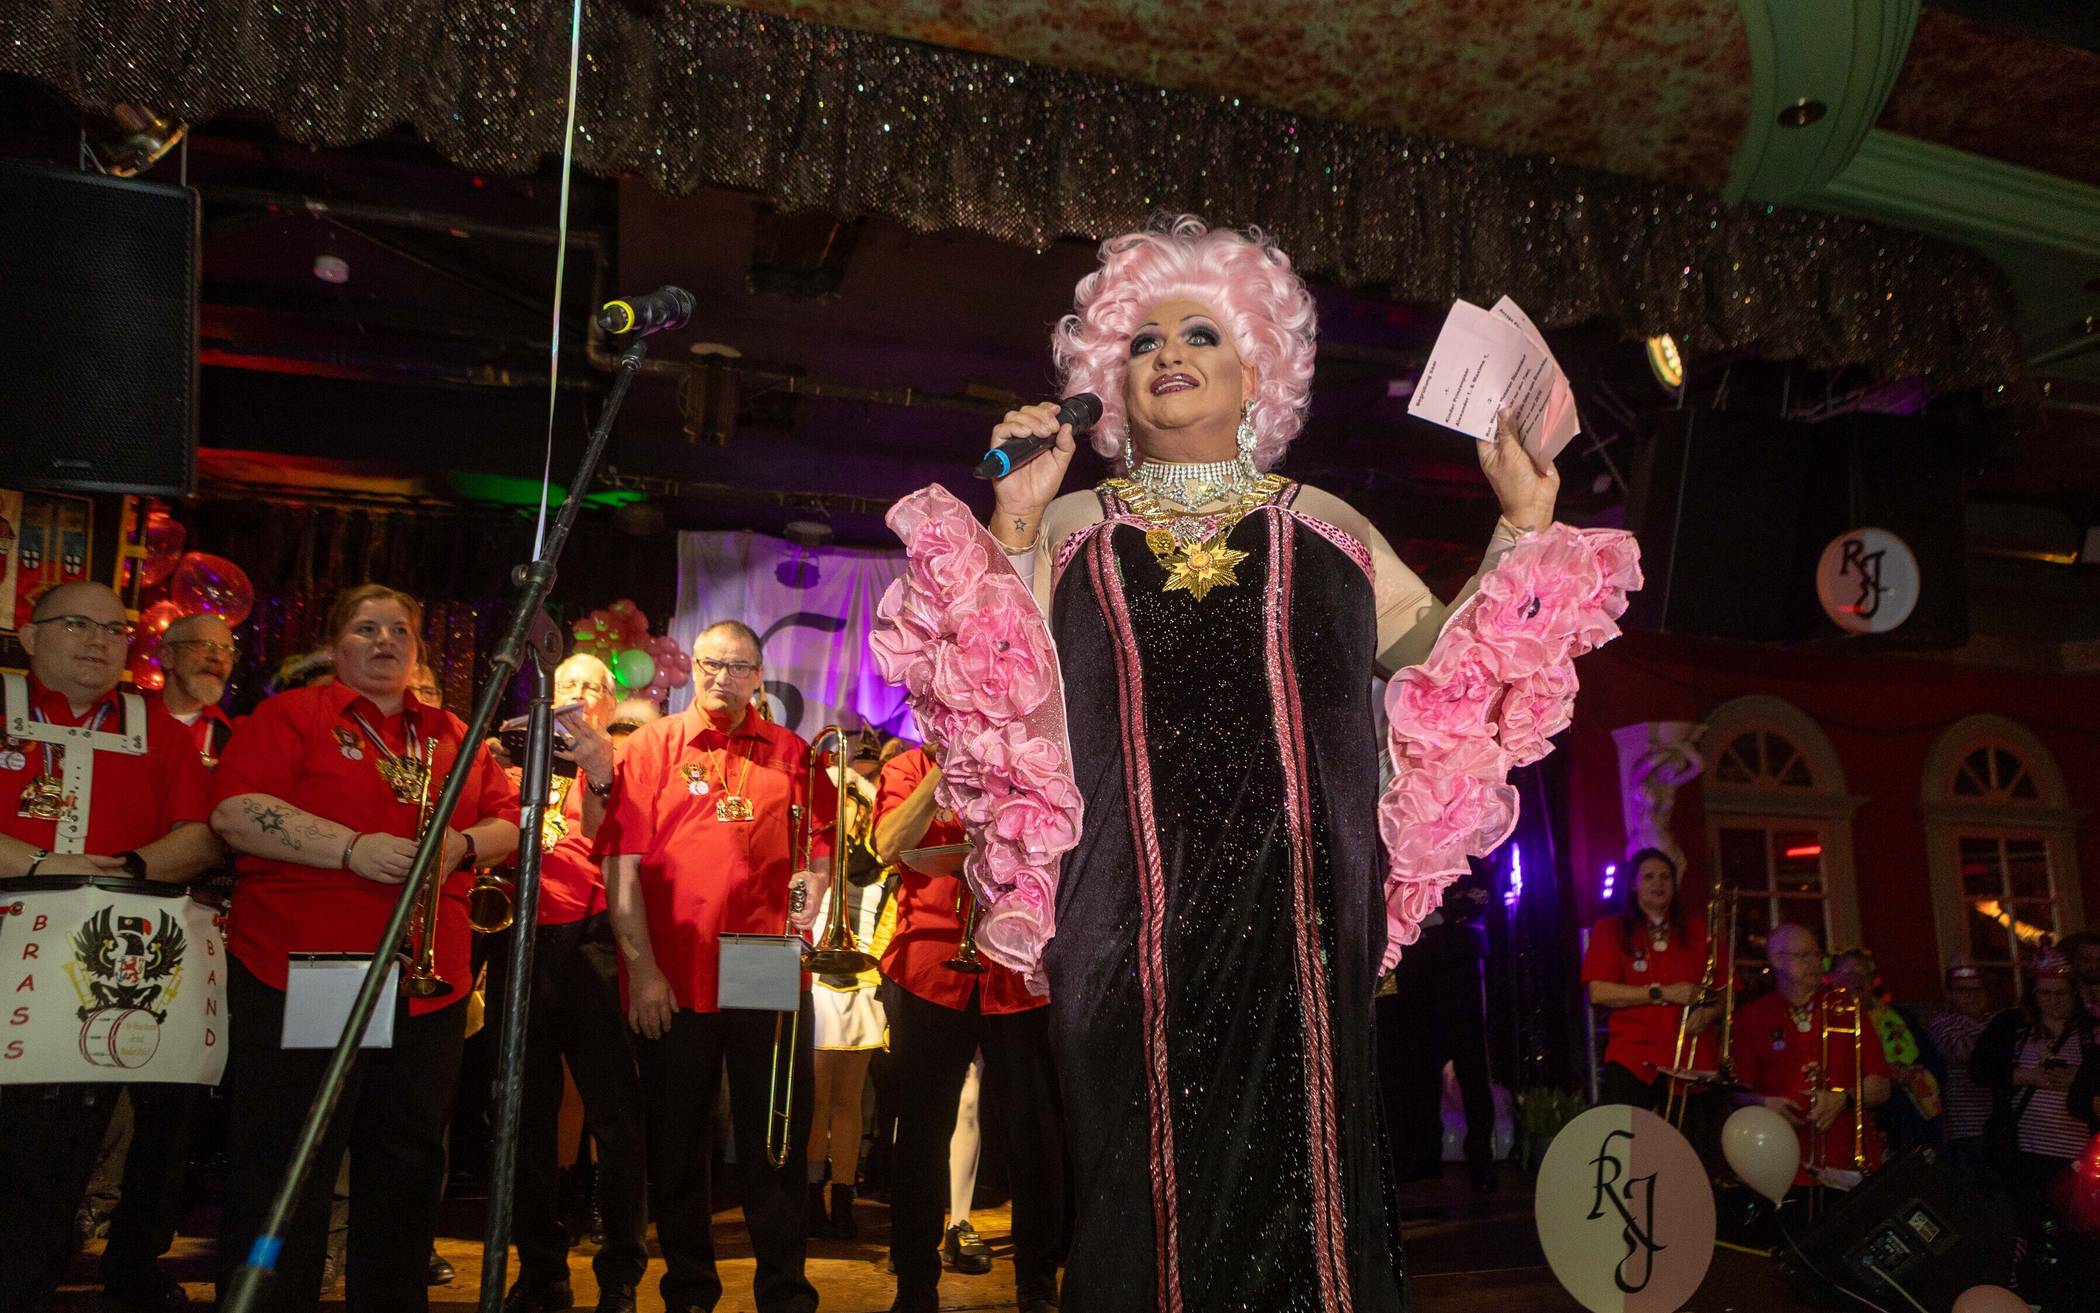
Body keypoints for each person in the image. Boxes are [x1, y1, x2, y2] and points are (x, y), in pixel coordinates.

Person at [893, 214, 1575, 1310]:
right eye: (1143, 341)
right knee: (1137, 1183)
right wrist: (1012, 524)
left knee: (1307, 1180)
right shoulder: (1069, 524)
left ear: (1255, 371)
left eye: (1199, 333)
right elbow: (992, 691)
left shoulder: (1332, 524)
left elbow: (1455, 664)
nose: (1168, 352)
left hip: (1300, 911)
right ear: (1109, 384)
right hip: (1122, 917)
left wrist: (1522, 527)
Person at [209, 583, 520, 1313]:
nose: (385, 641)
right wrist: (352, 849)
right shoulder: (291, 714)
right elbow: (234, 812)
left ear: (417, 650)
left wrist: (461, 844)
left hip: (425, 984)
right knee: (288, 1157)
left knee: (408, 1161)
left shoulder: (452, 730)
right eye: (366, 628)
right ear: (333, 645)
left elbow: (509, 823)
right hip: (300, 970)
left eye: (400, 631)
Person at [596, 620, 832, 1313]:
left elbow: (818, 855)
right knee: (676, 1148)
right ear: (693, 667)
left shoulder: (793, 752)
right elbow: (621, 870)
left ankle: (784, 1293)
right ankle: (690, 1291)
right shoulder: (652, 746)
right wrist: (642, 971)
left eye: (737, 666)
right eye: (710, 664)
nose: (721, 677)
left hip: (769, 969)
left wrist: (812, 888)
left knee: (776, 1143)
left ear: (759, 675)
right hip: (672, 978)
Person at [0, 581, 221, 1313]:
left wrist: (126, 868)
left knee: (62, 1148)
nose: (99, 641)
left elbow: (200, 836)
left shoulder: (157, 728)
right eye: (76, 625)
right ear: (30, 636)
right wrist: (42, 865)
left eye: (114, 630)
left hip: (99, 970)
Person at [873, 743, 1064, 1313]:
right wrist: (943, 768)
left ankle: (1036, 1286)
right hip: (930, 966)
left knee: (1034, 1137)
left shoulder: (1032, 760)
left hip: (1016, 968)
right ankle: (914, 1286)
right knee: (921, 1133)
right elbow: (888, 845)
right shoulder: (909, 766)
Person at [498, 654, 646, 1313]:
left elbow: (624, 837)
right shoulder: (512, 760)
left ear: (609, 704)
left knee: (615, 1113)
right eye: (567, 685)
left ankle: (620, 1274)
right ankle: (541, 1267)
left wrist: (596, 765)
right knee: (525, 1115)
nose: (578, 694)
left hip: (597, 938)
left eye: (591, 686)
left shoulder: (628, 760)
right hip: (521, 940)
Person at [1729, 924, 1892, 1206]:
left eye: (1818, 956)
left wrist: (1843, 1099)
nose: (1816, 964)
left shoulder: (1847, 1009)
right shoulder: (1752, 1017)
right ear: (1777, 960)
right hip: (1782, 1164)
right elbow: (1736, 1093)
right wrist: (1765, 1104)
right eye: (1804, 956)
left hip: (1846, 1160)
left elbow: (1881, 1086)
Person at [1973, 954, 2100, 1307]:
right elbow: (1981, 1068)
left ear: (2075, 993)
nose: (2053, 1001)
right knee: (2030, 1230)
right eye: (2045, 993)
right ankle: (2037, 1297)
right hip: (2024, 1149)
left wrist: (2078, 1080)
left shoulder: (2090, 1030)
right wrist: (2028, 1076)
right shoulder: (2013, 1026)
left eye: (2061, 993)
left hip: (2077, 1154)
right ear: (2033, 994)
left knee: (2076, 1234)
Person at [805, 744, 885, 1241]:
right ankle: (811, 1193)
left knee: (848, 1101)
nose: (844, 810)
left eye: (850, 801)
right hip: (815, 984)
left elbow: (888, 923)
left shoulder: (878, 863)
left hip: (861, 987)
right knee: (817, 1099)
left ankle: (843, 1196)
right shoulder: (811, 858)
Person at [1380, 870, 1498, 1191]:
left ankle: (1481, 1159)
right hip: (1418, 967)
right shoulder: (1406, 852)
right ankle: (1425, 1156)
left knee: (1471, 1065)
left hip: (1459, 965)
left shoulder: (1467, 854)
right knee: (1421, 1064)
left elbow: (1480, 895)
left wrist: (1441, 910)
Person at [1580, 849, 1718, 1110]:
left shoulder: (1699, 929)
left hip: (1691, 1056)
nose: (1658, 883)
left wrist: (1710, 1012)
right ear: (1634, 884)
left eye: (1665, 877)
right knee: (1627, 1133)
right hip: (1633, 1057)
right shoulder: (1610, 930)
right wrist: (1661, 992)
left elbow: (1725, 990)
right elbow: (1598, 992)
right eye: (1649, 877)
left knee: (1691, 1134)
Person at [1828, 945, 1945, 1153]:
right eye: (1849, 973)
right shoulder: (1827, 1023)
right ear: (1832, 979)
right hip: (1857, 1125)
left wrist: (1913, 1074)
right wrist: (1885, 1075)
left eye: (1864, 974)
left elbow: (1935, 1064)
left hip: (1910, 1124)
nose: (1857, 980)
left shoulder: (1902, 1017)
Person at [154, 610, 238, 764]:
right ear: (167, 656)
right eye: (205, 645)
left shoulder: (235, 739)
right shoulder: (128, 721)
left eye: (228, 651)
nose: (219, 658)